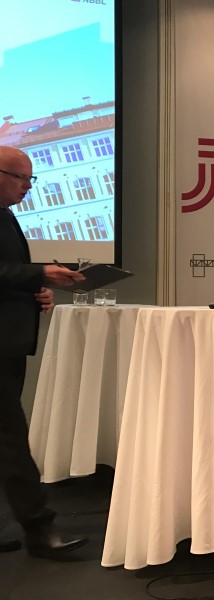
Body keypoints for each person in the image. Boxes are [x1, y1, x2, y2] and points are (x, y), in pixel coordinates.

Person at [0, 145, 87, 558]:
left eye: (31, 179)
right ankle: (39, 529)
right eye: (22, 178)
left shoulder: (6, 215)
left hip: (10, 341)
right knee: (11, 437)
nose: (28, 187)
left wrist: (37, 292)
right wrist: (40, 273)